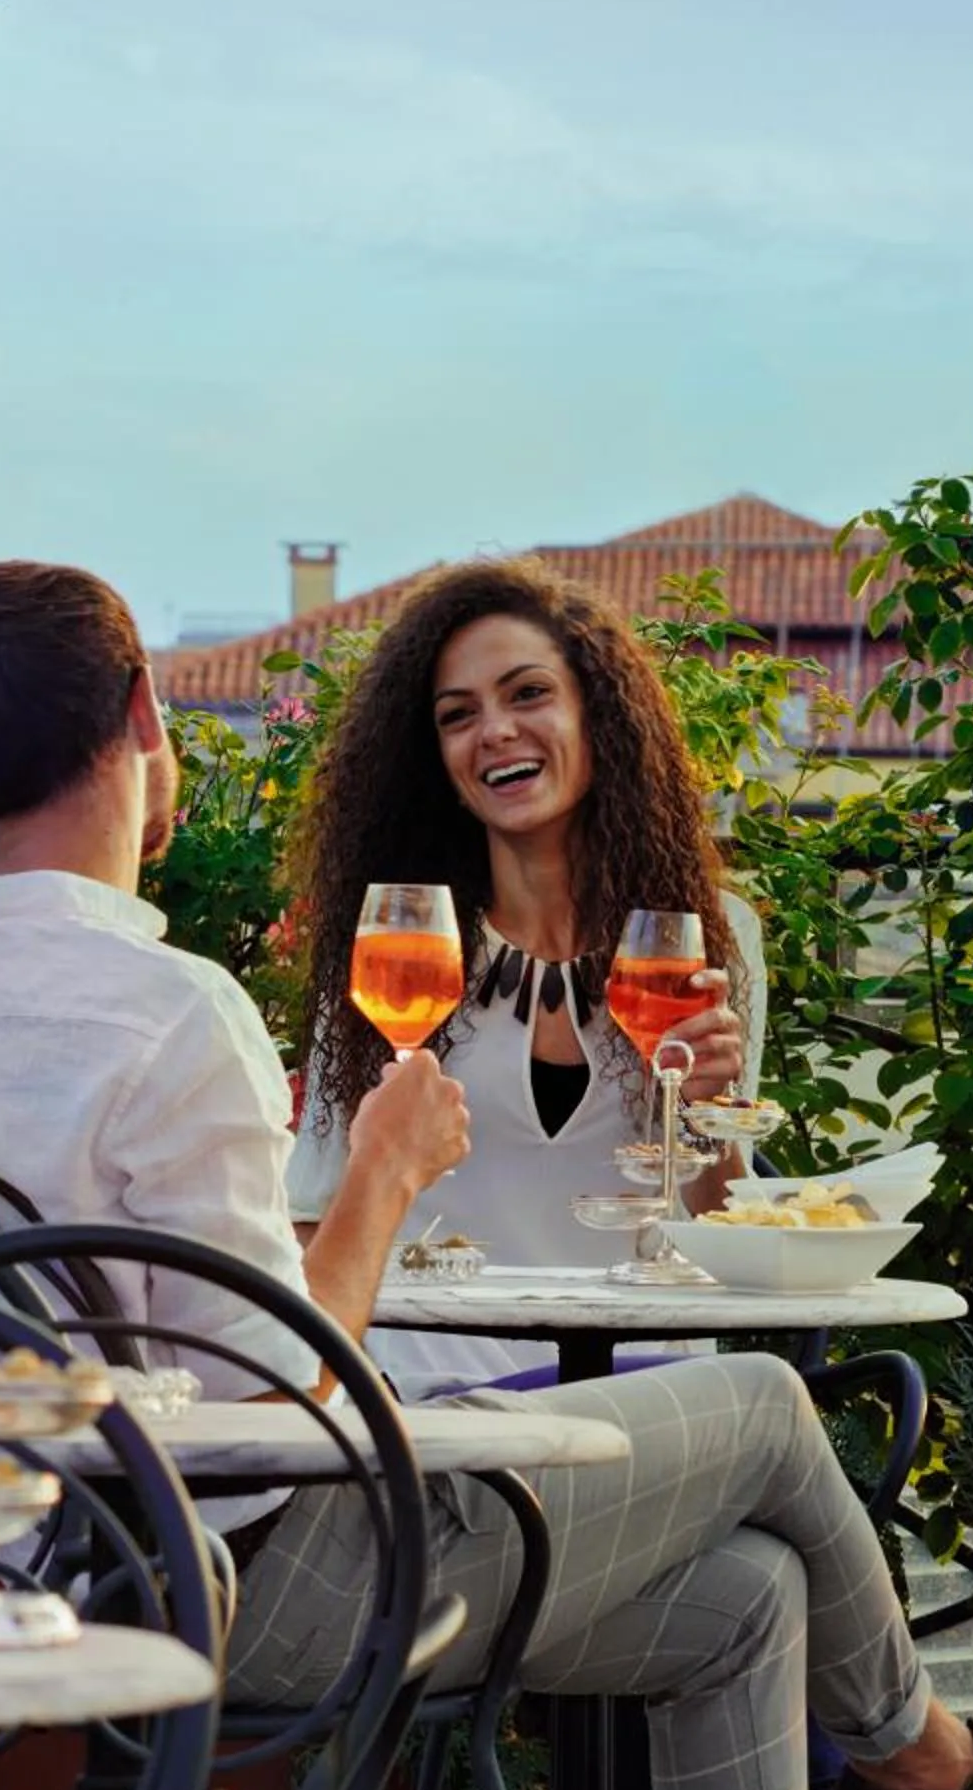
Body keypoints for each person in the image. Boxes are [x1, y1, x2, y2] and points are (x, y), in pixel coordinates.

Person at [0, 560, 973, 1790]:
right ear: (147, 714)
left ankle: (925, 1782)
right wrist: (379, 1174)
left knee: (745, 1602)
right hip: (239, 1583)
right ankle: (936, 1774)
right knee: (768, 1409)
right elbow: (275, 1398)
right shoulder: (168, 1014)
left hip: (4, 1559)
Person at [288, 558, 763, 1396]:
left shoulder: (708, 941)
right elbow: (313, 1213)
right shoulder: (394, 953)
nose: (496, 730)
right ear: (433, 758)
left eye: (529, 694)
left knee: (761, 1515)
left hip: (644, 1397)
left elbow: (732, 1232)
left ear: (598, 714)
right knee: (778, 1450)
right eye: (457, 715)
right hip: (435, 1400)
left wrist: (711, 1121)